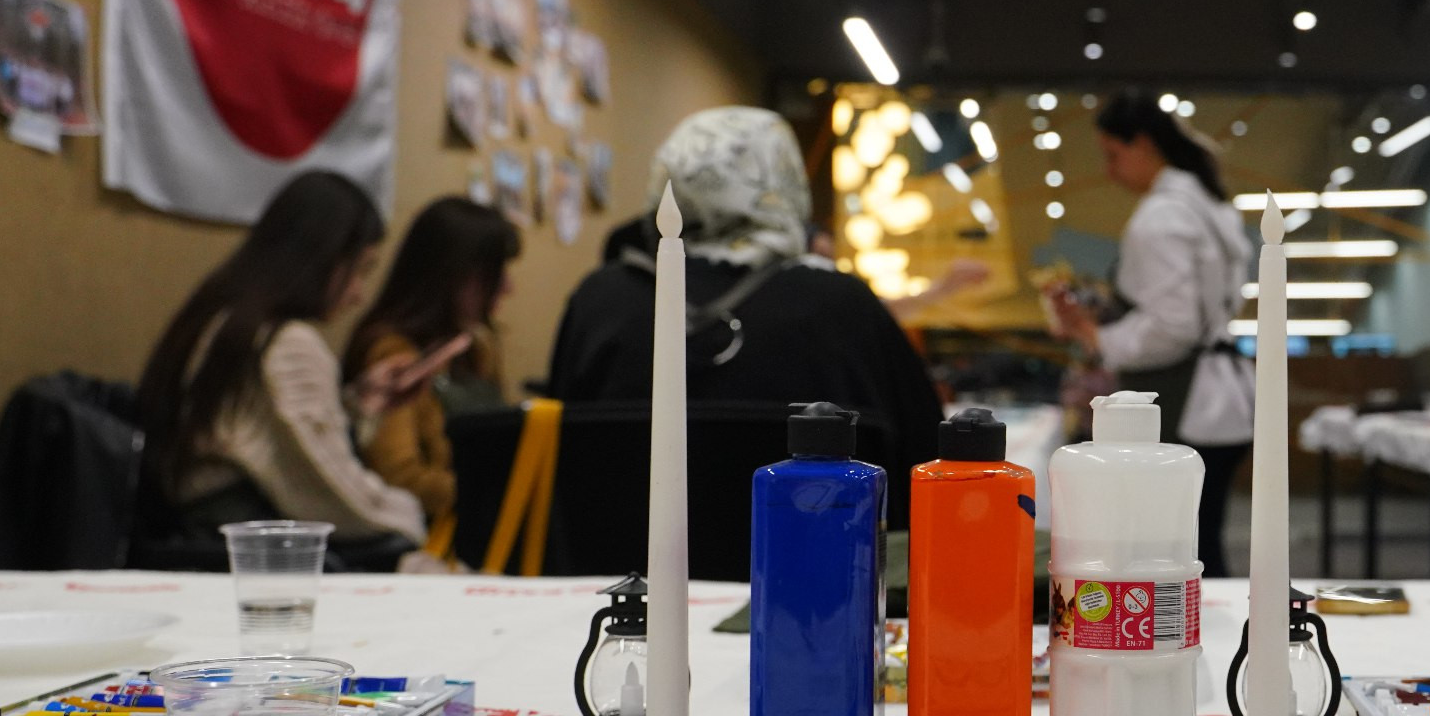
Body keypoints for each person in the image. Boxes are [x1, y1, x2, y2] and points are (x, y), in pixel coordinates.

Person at [547, 107, 942, 515]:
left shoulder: (598, 300)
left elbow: (556, 460)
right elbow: (925, 458)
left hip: (617, 552)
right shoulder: (845, 305)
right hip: (819, 550)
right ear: (783, 180)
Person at [133, 171, 427, 546]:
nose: (359, 294)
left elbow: (271, 442)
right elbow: (333, 494)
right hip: (244, 547)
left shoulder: (220, 316)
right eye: (360, 270)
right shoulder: (286, 344)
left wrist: (358, 404)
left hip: (193, 537)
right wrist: (409, 517)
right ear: (323, 259)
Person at [1045, 92, 1253, 575]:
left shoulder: (1162, 217)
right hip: (1223, 397)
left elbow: (1173, 326)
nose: (1109, 171)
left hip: (1186, 399)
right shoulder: (1210, 206)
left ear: (1142, 144)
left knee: (1174, 549)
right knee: (1199, 540)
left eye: (1112, 155)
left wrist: (1096, 335)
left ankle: (1188, 622)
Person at [344, 197, 521, 534]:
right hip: (429, 535)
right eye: (495, 274)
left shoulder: (477, 344)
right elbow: (398, 475)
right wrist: (500, 494)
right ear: (456, 274)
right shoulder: (392, 353)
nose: (507, 288)